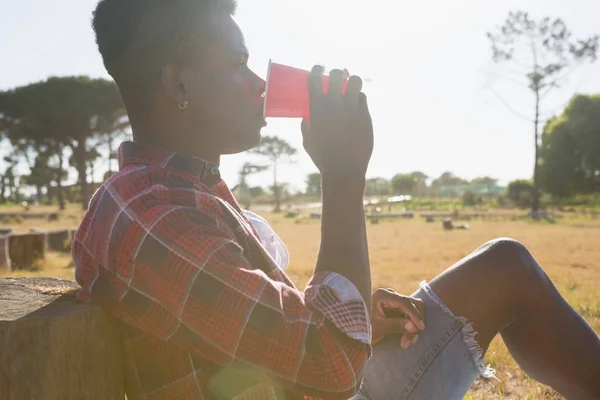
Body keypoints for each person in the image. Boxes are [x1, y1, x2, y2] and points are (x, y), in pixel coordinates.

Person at [73, 1, 600, 399]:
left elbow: (255, 331)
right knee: (507, 267)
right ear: (179, 81)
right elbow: (330, 369)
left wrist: (359, 318)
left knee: (504, 265)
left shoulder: (172, 193)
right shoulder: (149, 212)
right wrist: (344, 176)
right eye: (238, 63)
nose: (259, 83)